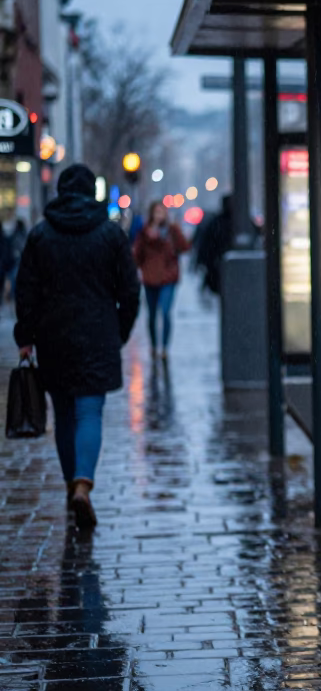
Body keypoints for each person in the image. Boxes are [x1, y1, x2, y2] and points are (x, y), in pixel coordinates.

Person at [13, 164, 141, 530]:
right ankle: (83, 483)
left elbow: (27, 292)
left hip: (53, 337)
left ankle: (72, 484)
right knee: (89, 412)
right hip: (98, 334)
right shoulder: (110, 235)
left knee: (65, 414)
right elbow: (130, 290)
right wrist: (120, 330)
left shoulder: (40, 236)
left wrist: (26, 337)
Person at [133, 201, 191, 358]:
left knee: (165, 312)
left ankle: (164, 348)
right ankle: (154, 346)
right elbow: (137, 255)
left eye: (162, 211)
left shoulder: (172, 230)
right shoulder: (144, 233)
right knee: (151, 314)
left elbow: (185, 246)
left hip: (168, 277)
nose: (159, 215)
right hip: (150, 278)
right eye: (156, 212)